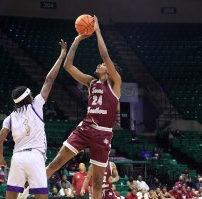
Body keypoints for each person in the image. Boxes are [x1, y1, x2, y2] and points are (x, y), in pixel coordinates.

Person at [46, 16, 122, 199]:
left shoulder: (115, 83)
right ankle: (28, 190)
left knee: (97, 184)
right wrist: (77, 40)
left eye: (103, 65)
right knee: (56, 162)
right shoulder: (91, 82)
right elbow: (68, 66)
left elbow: (105, 55)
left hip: (103, 134)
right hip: (85, 128)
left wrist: (97, 31)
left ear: (111, 71)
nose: (100, 64)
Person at [0, 39, 67, 199]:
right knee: (41, 196)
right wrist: (61, 56)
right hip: (35, 156)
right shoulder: (36, 105)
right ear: (28, 97)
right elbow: (49, 80)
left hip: (18, 157)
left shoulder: (10, 117)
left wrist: (1, 160)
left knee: (11, 196)